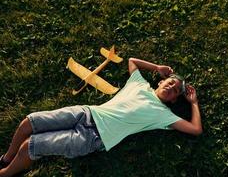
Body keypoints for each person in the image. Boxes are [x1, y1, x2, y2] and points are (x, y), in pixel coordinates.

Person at [0, 58, 203, 177]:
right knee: (29, 122)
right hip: (86, 112)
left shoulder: (163, 115)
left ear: (175, 100)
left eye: (176, 90)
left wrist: (193, 104)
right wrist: (157, 67)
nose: (171, 88)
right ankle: (6, 158)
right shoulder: (139, 84)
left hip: (94, 138)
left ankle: (5, 173)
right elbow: (132, 60)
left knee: (30, 146)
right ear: (160, 82)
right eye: (169, 83)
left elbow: (195, 130)